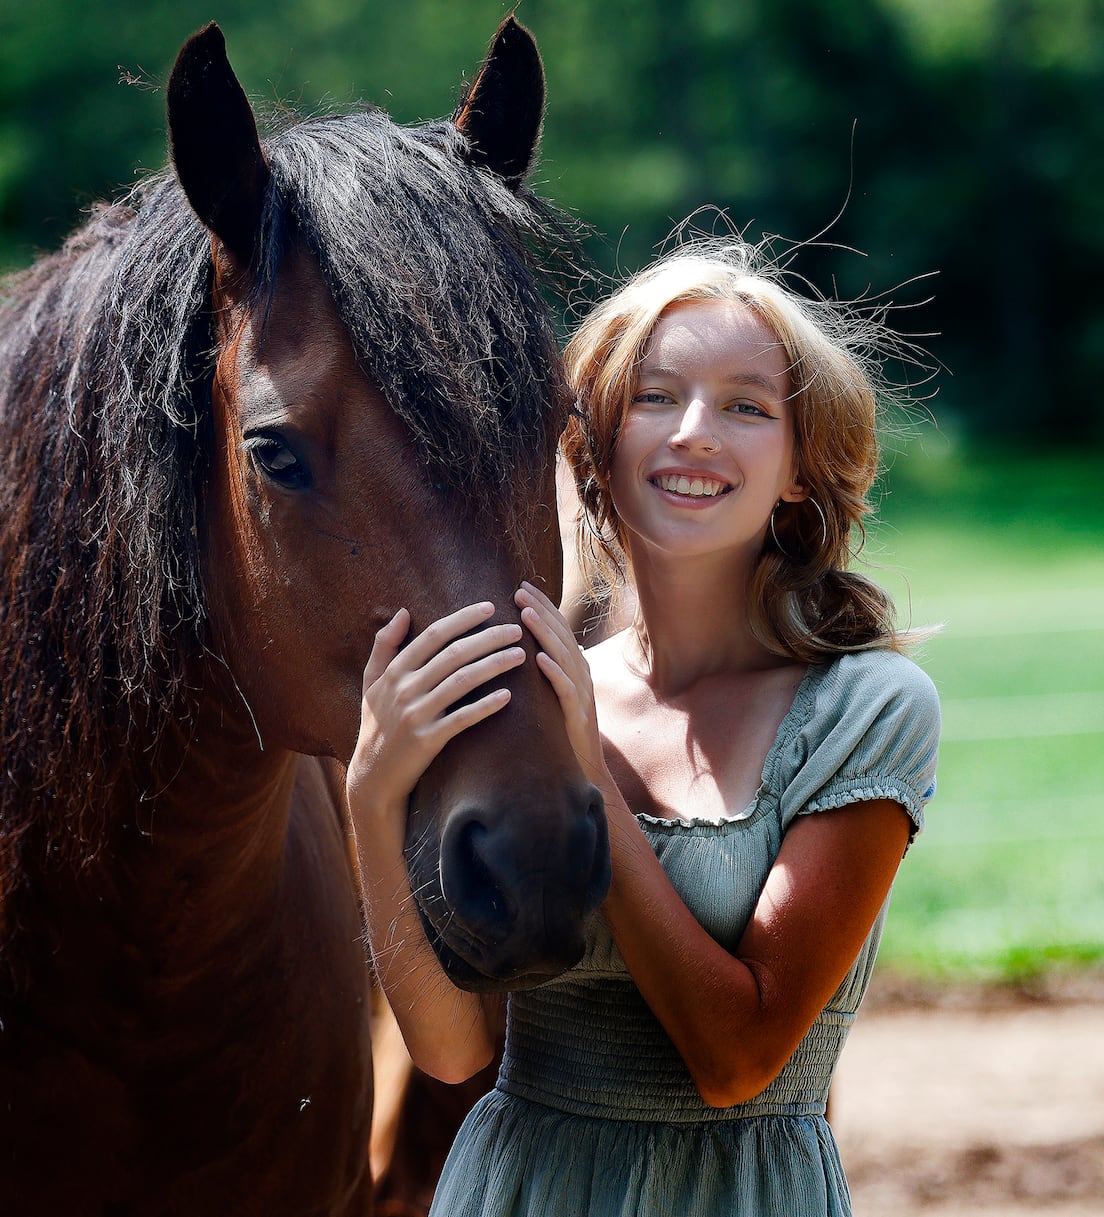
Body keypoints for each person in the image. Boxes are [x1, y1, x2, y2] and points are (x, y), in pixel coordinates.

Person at [347, 239, 940, 1216]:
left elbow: (735, 1058)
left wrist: (586, 777)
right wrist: (372, 796)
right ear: (596, 446)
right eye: (655, 397)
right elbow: (452, 1049)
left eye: (746, 406)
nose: (695, 432)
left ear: (798, 468)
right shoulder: (529, 693)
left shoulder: (866, 706)